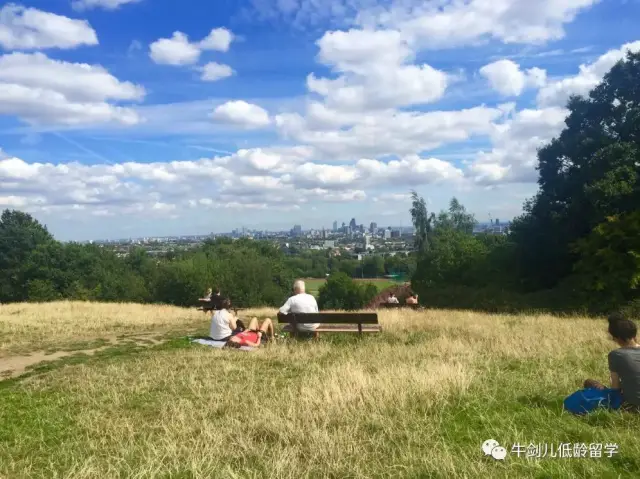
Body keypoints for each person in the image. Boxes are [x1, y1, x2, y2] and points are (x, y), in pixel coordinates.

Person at [583, 314, 640, 412]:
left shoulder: (616, 355)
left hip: (632, 407)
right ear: (634, 334)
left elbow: (615, 387)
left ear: (617, 338)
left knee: (589, 382)